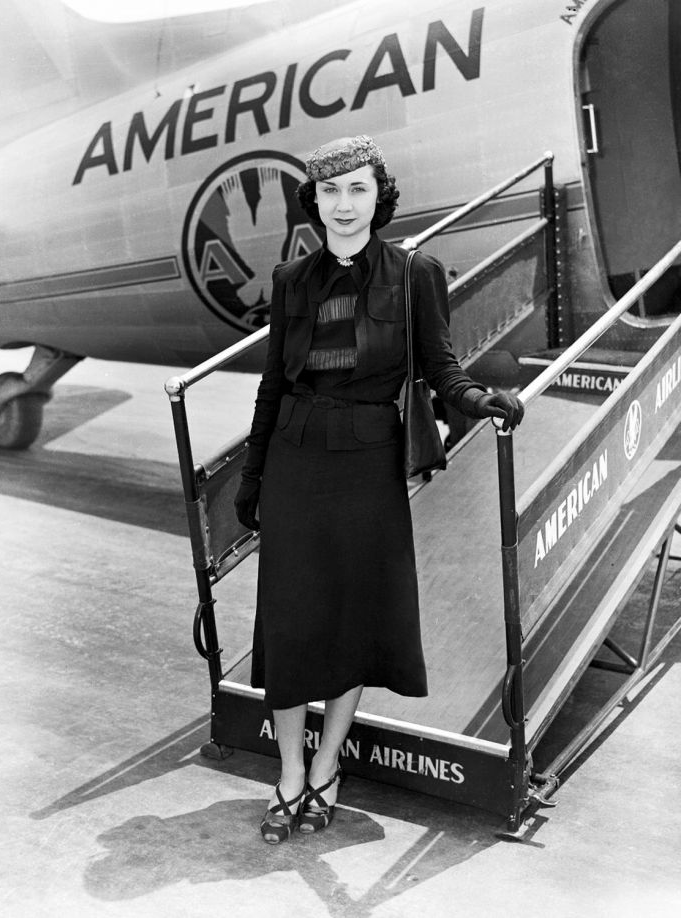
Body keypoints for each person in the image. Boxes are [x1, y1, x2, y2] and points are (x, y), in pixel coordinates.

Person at [234, 135, 523, 844]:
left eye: (357, 189)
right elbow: (272, 384)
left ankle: (326, 766)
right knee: (292, 621)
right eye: (330, 191)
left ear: (378, 196)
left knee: (352, 622)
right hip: (295, 460)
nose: (343, 204)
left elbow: (441, 366)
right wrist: (253, 474)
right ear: (314, 201)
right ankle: (289, 774)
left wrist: (479, 399)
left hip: (368, 466)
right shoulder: (291, 279)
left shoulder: (415, 272)